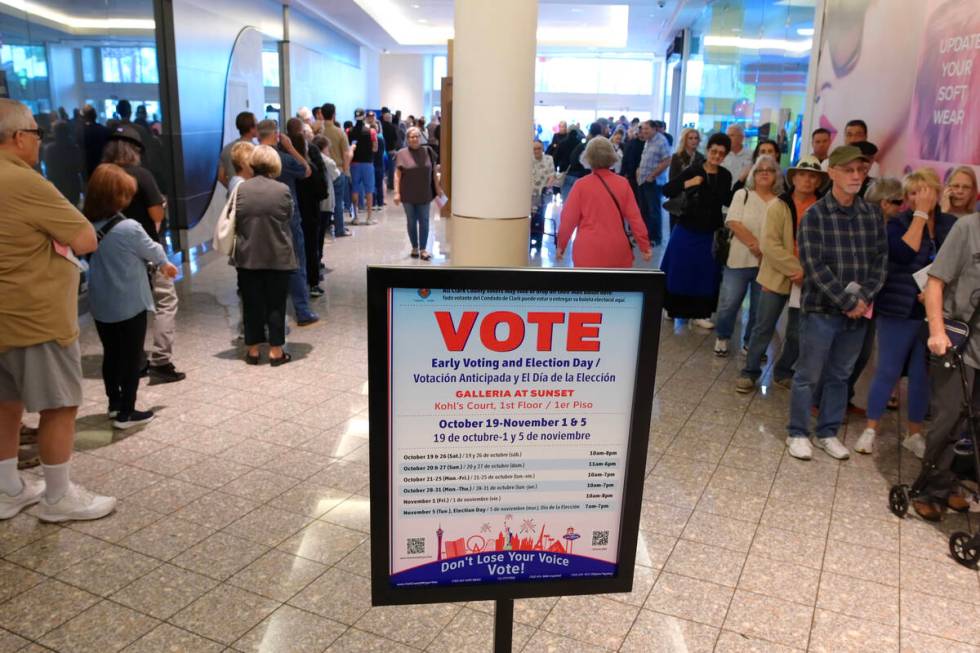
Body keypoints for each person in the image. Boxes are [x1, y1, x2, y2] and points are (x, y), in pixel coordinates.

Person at [0, 98, 116, 522]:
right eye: (34, 133)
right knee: (59, 406)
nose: (37, 141)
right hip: (34, 314)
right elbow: (85, 238)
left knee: (5, 404)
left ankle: (7, 488)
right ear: (17, 138)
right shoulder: (24, 181)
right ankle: (57, 496)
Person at [786, 145, 888, 461]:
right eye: (849, 170)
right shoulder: (815, 214)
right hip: (821, 310)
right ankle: (798, 432)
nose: (856, 176)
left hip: (858, 313)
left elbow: (881, 260)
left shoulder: (871, 214)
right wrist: (846, 301)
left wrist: (863, 298)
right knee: (808, 374)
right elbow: (814, 265)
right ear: (832, 173)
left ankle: (827, 432)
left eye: (860, 170)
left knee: (840, 376)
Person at [854, 169, 956, 456]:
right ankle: (870, 429)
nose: (918, 197)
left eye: (925, 191)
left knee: (920, 375)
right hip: (898, 309)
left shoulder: (950, 224)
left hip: (932, 312)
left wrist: (937, 295)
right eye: (912, 193)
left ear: (937, 192)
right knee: (887, 371)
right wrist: (921, 216)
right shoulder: (898, 224)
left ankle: (914, 434)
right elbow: (904, 252)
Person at [84, 164, 179, 429]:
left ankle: (114, 405)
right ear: (116, 196)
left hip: (101, 301)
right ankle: (127, 412)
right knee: (131, 356)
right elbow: (153, 250)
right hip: (129, 301)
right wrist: (166, 265)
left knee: (111, 354)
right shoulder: (129, 227)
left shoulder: (87, 225)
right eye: (125, 194)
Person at [103, 124, 187, 383]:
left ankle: (133, 360)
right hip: (146, 249)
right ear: (136, 150)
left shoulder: (102, 175)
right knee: (165, 301)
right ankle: (161, 361)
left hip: (112, 253)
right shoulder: (142, 175)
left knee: (129, 308)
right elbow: (156, 215)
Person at [736, 156, 827, 392]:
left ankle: (784, 371)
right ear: (793, 178)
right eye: (803, 175)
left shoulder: (823, 208)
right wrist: (796, 269)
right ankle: (750, 372)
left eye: (813, 176)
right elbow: (769, 245)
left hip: (807, 280)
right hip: (777, 275)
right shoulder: (779, 205)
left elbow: (826, 246)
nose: (807, 180)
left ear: (819, 181)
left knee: (797, 332)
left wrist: (807, 273)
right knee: (763, 327)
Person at [912, 212, 980, 521]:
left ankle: (951, 482)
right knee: (949, 419)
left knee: (973, 427)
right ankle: (930, 490)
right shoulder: (968, 228)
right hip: (959, 344)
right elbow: (935, 282)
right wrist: (937, 332)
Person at [232, 145, 297, 366]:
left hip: (247, 255)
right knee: (276, 303)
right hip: (277, 255)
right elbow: (288, 216)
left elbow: (236, 218)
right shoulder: (282, 190)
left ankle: (252, 351)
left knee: (251, 303)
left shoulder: (241, 189)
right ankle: (276, 352)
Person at [661, 132, 734, 327]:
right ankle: (672, 308)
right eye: (714, 151)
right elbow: (667, 190)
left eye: (721, 153)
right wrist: (689, 183)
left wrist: (743, 183)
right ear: (708, 150)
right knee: (679, 270)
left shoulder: (725, 175)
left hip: (710, 232)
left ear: (725, 156)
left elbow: (727, 200)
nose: (717, 156)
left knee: (705, 273)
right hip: (686, 228)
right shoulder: (693, 170)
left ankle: (701, 314)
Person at [713, 155, 783, 357]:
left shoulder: (779, 201)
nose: (764, 174)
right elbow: (733, 222)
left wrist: (766, 251)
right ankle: (723, 337)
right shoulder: (742, 195)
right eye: (760, 170)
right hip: (739, 260)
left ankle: (749, 343)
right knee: (730, 303)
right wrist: (755, 245)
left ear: (775, 175)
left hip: (767, 264)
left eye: (769, 170)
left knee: (759, 308)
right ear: (753, 174)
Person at [256, 119, 318, 326]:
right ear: (277, 136)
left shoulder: (252, 159)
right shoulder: (283, 158)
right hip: (287, 215)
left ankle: (266, 314)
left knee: (265, 265)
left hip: (259, 217)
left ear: (258, 136)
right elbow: (306, 170)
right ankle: (302, 310)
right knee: (295, 261)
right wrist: (291, 148)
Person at [556, 137, 652, 268]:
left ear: (587, 158)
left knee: (589, 287)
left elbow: (568, 219)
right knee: (616, 287)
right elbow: (635, 218)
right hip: (617, 249)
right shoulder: (623, 184)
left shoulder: (581, 185)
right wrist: (644, 245)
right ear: (612, 156)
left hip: (587, 249)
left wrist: (561, 245)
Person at [289, 118, 328, 298]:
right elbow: (320, 179)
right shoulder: (310, 155)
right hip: (310, 207)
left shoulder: (282, 154)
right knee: (311, 245)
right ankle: (312, 282)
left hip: (291, 206)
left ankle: (294, 281)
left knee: (294, 247)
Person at [394, 127, 443, 261]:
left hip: (424, 193)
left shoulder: (428, 151)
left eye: (417, 136)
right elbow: (397, 175)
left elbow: (433, 172)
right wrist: (397, 193)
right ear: (407, 139)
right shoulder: (401, 154)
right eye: (411, 137)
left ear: (421, 137)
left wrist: (438, 188)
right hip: (407, 194)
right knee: (411, 221)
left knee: (424, 221)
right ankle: (414, 247)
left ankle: (423, 249)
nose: (414, 139)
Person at [636, 120, 672, 246]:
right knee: (644, 210)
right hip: (643, 180)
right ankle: (646, 236)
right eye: (643, 129)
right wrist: (639, 171)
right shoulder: (648, 141)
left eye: (647, 129)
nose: (644, 131)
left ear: (654, 129)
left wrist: (653, 175)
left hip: (653, 181)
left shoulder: (661, 141)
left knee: (653, 211)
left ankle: (655, 237)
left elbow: (667, 160)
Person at [321, 104, 351, 236]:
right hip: (337, 170)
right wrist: (346, 170)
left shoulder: (318, 132)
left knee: (323, 201)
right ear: (334, 114)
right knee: (338, 202)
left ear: (321, 114)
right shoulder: (339, 132)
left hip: (321, 171)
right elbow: (346, 153)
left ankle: (325, 228)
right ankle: (339, 229)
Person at [43, 121, 83, 206]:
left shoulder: (49, 149)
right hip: (73, 184)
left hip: (57, 185)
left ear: (55, 133)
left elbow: (48, 169)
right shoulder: (74, 148)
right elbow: (80, 167)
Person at [348, 109, 378, 225]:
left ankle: (355, 217)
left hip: (354, 163)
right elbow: (375, 148)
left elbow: (348, 147)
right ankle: (369, 218)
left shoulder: (348, 131)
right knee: (369, 190)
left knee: (355, 189)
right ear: (364, 116)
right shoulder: (371, 132)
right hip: (368, 163)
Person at [218, 111, 257, 189]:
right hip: (252, 197)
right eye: (257, 125)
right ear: (251, 129)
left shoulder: (227, 148)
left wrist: (233, 189)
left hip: (233, 197)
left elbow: (221, 177)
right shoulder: (256, 151)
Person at [531, 140, 555, 251]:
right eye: (534, 149)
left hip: (544, 193)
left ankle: (539, 241)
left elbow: (552, 174)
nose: (537, 151)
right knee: (532, 217)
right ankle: (531, 238)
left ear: (542, 149)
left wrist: (548, 186)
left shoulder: (548, 159)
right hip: (531, 194)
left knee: (541, 217)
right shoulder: (529, 160)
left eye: (539, 148)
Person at [80, 104, 108, 179]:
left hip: (87, 168)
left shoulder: (81, 131)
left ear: (84, 116)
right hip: (101, 166)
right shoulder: (103, 129)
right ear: (95, 115)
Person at [721, 123, 752, 189]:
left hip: (744, 193)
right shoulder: (722, 154)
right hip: (724, 192)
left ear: (741, 138)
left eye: (731, 135)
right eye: (727, 135)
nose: (728, 138)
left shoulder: (751, 154)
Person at [381, 108, 399, 190]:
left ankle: (382, 184)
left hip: (382, 151)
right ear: (389, 118)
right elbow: (395, 138)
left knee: (383, 168)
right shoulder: (392, 127)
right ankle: (391, 185)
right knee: (391, 168)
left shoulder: (381, 126)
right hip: (391, 150)